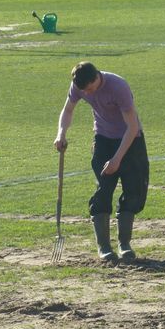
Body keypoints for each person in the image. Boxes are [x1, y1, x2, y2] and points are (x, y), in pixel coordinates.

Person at [54, 61, 149, 262]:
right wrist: (61, 134)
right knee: (104, 189)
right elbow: (68, 110)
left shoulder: (118, 87)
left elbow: (132, 127)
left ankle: (124, 244)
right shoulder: (79, 86)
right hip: (103, 140)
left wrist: (116, 159)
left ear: (97, 77)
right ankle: (104, 247)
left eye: (90, 89)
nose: (87, 94)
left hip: (130, 140)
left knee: (134, 191)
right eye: (83, 91)